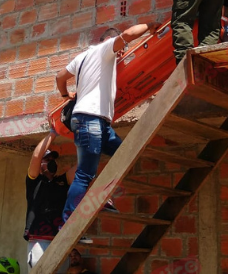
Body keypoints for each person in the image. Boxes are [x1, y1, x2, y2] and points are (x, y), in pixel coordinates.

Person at [57, 22, 159, 224]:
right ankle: (68, 219)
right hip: (91, 119)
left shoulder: (81, 57)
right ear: (109, 41)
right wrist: (150, 25)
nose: (121, 54)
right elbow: (129, 33)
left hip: (97, 122)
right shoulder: (104, 50)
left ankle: (101, 196)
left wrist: (64, 94)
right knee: (84, 174)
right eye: (121, 50)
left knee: (124, 154)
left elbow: (60, 76)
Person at [25, 134, 77, 270]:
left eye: (53, 159)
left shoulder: (61, 181)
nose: (51, 162)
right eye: (47, 159)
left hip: (60, 241)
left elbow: (80, 168)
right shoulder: (34, 181)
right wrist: (53, 133)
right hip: (39, 240)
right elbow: (36, 156)